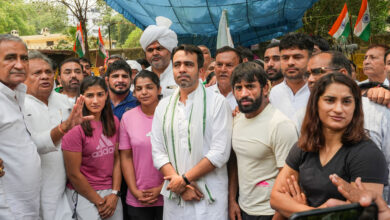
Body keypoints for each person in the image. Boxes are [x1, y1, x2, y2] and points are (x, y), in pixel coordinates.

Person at [270, 73, 388, 218]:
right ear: (316, 104)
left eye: (346, 101)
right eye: (330, 100)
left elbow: (355, 215)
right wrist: (313, 212)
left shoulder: (367, 154)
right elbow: (276, 198)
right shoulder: (303, 146)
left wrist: (300, 211)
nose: (338, 109)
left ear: (355, 107)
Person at [151, 44, 232, 219]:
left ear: (200, 70)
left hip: (210, 198)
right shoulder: (163, 106)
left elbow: (219, 153)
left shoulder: (217, 103)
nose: (182, 69)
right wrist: (180, 186)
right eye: (177, 65)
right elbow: (158, 152)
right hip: (176, 198)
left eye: (188, 64)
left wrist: (183, 180)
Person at [306, 50, 390, 203]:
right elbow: (277, 198)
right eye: (329, 100)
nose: (311, 79)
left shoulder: (377, 110)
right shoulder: (306, 137)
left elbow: (364, 207)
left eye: (318, 72)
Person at [23, 51, 94, 219]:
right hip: (33, 188)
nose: (45, 76)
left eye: (48, 72)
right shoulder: (19, 106)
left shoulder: (67, 103)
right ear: (24, 78)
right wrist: (63, 128)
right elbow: (32, 146)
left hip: (66, 188)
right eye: (37, 73)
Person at [228, 62, 298, 220]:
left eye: (250, 86)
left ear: (265, 88)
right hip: (243, 209)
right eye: (238, 88)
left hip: (269, 212)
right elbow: (235, 162)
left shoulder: (280, 125)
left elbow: (290, 181)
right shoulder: (237, 119)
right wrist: (232, 201)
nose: (244, 93)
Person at [62, 76, 123, 220]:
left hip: (110, 192)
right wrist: (99, 201)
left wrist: (114, 193)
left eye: (100, 94)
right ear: (81, 97)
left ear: (107, 95)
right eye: (90, 95)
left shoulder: (113, 121)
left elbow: (116, 159)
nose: (95, 101)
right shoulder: (75, 128)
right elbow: (74, 174)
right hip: (84, 193)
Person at [0, 34, 41, 219]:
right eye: (10, 58)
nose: (19, 64)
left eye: (24, 58)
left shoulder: (17, 94)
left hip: (26, 205)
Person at [120, 70, 164, 220]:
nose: (144, 92)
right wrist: (134, 190)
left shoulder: (171, 114)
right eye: (139, 88)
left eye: (149, 87)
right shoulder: (128, 117)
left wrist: (162, 188)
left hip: (169, 194)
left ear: (159, 89)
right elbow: (125, 156)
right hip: (138, 197)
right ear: (134, 93)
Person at [269, 33, 312, 124]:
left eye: (297, 57)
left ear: (310, 59)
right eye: (285, 58)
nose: (290, 63)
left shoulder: (318, 91)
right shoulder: (273, 94)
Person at [140, 16, 178, 98]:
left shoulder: (181, 73)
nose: (155, 53)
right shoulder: (140, 77)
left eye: (159, 48)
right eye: (150, 50)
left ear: (169, 50)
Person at [210, 46, 242, 110]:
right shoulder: (204, 95)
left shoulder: (247, 96)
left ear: (239, 68)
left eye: (229, 65)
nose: (223, 69)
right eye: (219, 65)